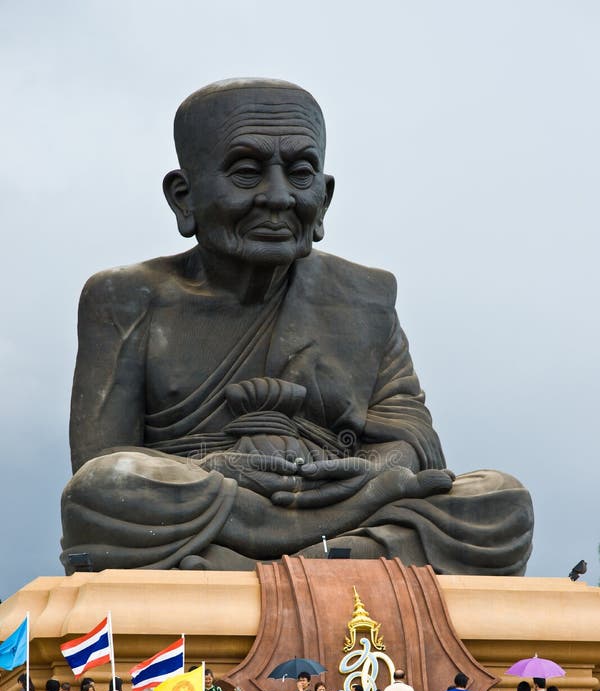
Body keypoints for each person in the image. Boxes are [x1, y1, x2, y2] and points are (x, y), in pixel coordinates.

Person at [60, 78, 533, 577]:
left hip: (343, 495)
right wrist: (218, 469)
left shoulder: (365, 296)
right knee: (104, 493)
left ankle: (243, 568)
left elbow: (413, 438)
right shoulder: (126, 298)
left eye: (301, 173)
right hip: (214, 501)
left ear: (324, 198)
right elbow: (99, 464)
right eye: (247, 173)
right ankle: (337, 564)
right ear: (184, 197)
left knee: (501, 499)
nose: (279, 197)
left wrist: (369, 475)